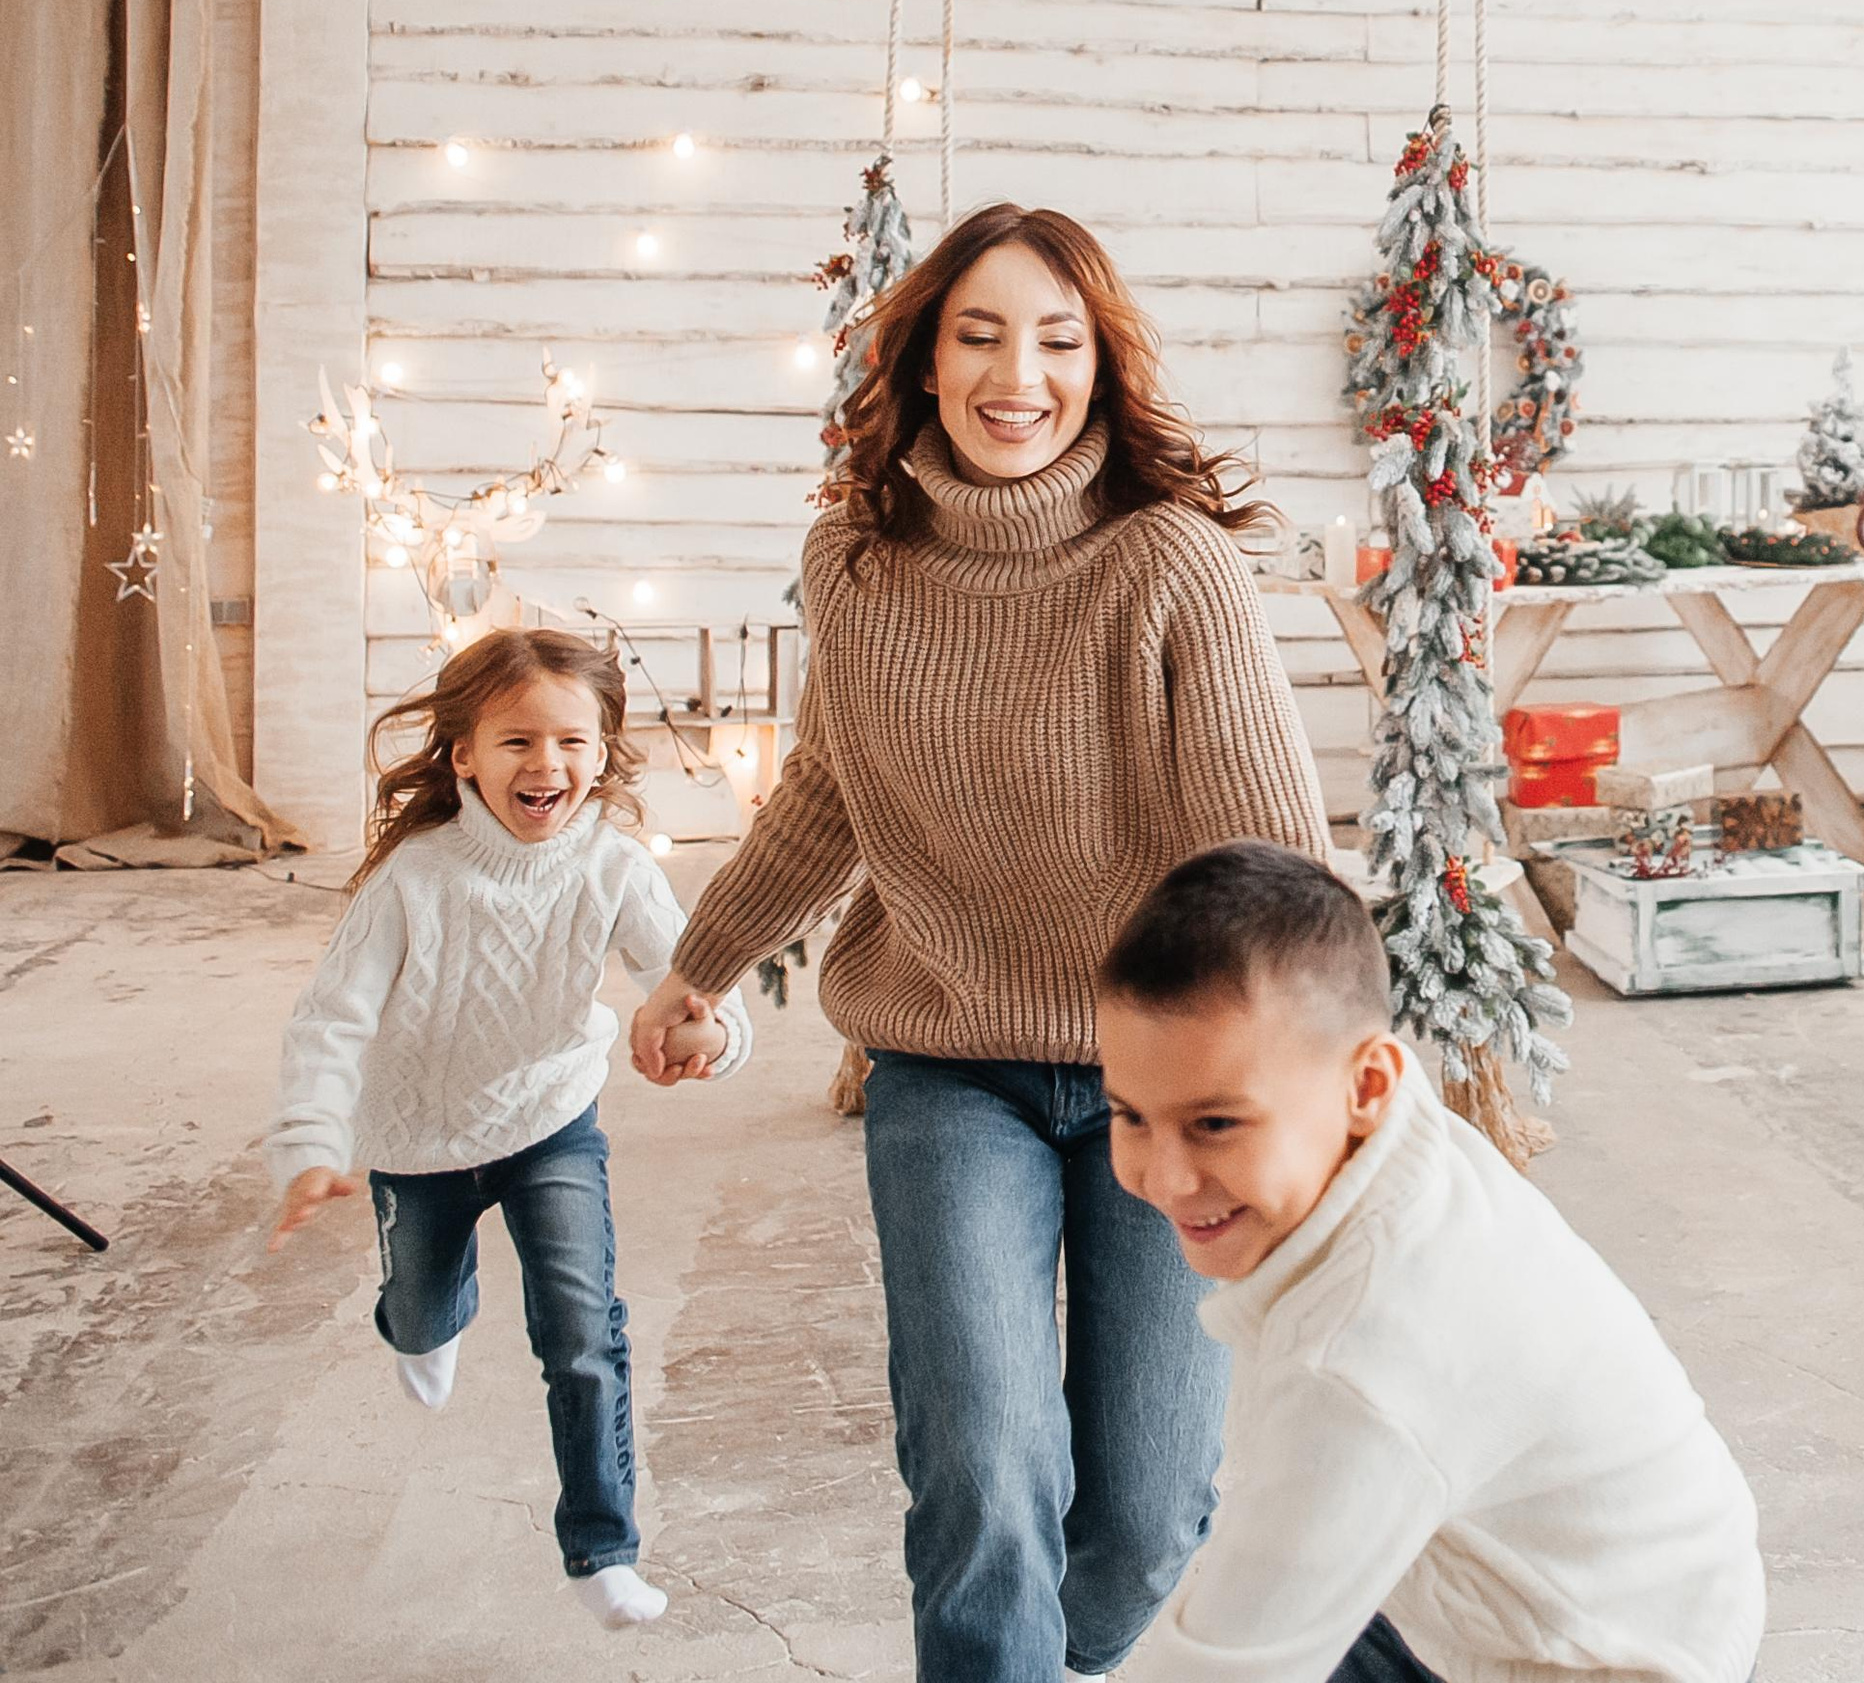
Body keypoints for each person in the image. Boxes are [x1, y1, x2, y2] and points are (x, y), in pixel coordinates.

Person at [629, 204, 1332, 1682]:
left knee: (1147, 1516)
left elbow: (1272, 857)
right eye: (982, 333)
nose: (1021, 373)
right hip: (947, 1069)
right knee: (983, 1474)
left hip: (1165, 1084)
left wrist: (1320, 1083)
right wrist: (699, 963)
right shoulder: (858, 567)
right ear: (927, 362)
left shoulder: (1169, 567)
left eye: (1059, 340)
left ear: (1101, 367)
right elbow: (830, 788)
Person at [1096, 840, 1767, 1683]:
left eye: (1217, 1124)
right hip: (1636, 1586)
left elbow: (1225, 1669)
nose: (1163, 1178)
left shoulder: (1362, 1359)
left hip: (1612, 1657)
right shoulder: (1388, 1131)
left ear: (1364, 1087)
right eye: (1129, 1115)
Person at [267, 628, 752, 1632]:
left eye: (573, 740)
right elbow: (331, 1018)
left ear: (604, 750)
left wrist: (710, 1030)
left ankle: (603, 1545)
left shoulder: (615, 865)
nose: (547, 764)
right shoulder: (413, 876)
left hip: (549, 1121)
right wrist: (312, 1144)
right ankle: (426, 1320)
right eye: (517, 740)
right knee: (416, 1304)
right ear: (464, 754)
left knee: (583, 1332)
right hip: (416, 1137)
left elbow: (686, 978)